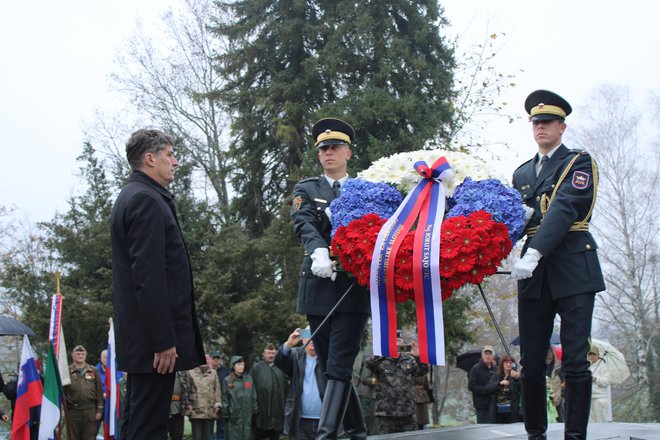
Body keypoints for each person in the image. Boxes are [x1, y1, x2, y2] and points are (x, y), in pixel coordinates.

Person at [511, 90, 605, 440]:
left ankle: (575, 435)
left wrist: (533, 252)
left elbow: (565, 208)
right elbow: (513, 219)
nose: (540, 128)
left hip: (571, 264)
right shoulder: (521, 173)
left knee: (575, 358)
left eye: (547, 122)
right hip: (533, 276)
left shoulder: (578, 162)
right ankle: (536, 433)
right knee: (532, 361)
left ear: (562, 127)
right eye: (536, 123)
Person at [111, 128, 206, 439]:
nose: (175, 161)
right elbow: (149, 278)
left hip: (144, 339)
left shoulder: (137, 196)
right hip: (153, 345)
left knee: (137, 422)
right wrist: (163, 340)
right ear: (150, 159)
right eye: (169, 155)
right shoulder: (145, 200)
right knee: (148, 427)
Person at [290, 117, 370, 439]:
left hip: (352, 287)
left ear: (348, 152)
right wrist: (318, 250)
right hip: (318, 285)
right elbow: (304, 223)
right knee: (328, 366)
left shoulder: (366, 189)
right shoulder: (306, 188)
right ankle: (358, 429)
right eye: (323, 148)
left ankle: (326, 435)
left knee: (339, 364)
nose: (328, 153)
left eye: (335, 147)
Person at [364, 334, 429, 434]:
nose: (397, 343)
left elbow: (421, 371)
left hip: (407, 411)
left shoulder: (409, 359)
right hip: (386, 412)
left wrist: (420, 357)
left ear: (403, 343)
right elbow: (368, 363)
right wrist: (383, 352)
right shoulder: (381, 360)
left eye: (399, 340)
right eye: (393, 340)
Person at [274, 327, 326, 439]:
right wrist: (288, 344)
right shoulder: (295, 355)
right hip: (299, 420)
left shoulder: (327, 357)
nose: (312, 338)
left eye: (315, 334)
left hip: (325, 421)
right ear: (302, 338)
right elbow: (279, 361)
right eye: (308, 334)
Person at [64, 345, 104, 440]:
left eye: (82, 354)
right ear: (73, 356)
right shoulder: (67, 371)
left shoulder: (93, 370)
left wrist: (99, 410)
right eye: (78, 354)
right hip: (73, 410)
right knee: (72, 437)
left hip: (90, 410)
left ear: (85, 356)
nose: (80, 356)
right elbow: (63, 391)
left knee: (90, 437)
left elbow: (99, 391)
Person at [251, 343, 287, 440]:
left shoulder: (281, 368)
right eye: (268, 353)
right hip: (261, 411)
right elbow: (251, 388)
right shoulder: (257, 368)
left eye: (273, 353)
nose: (271, 356)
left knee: (274, 435)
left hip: (277, 412)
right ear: (264, 354)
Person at [221, 356, 258, 440]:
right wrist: (225, 413)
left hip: (247, 415)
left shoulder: (249, 379)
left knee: (247, 435)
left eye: (242, 364)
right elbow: (224, 398)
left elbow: (253, 395)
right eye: (238, 364)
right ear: (233, 366)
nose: (241, 366)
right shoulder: (228, 380)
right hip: (233, 416)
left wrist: (255, 409)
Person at [185, 364, 222, 440]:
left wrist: (217, 404)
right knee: (197, 437)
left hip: (209, 410)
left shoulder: (213, 373)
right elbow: (186, 390)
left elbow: (217, 389)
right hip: (195, 410)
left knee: (207, 436)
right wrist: (188, 404)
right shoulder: (191, 373)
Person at [467, 345, 499, 424]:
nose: (488, 356)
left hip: (494, 404)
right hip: (481, 405)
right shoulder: (475, 368)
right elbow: (471, 386)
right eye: (486, 354)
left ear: (493, 356)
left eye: (490, 354)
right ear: (482, 355)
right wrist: (484, 390)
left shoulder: (496, 369)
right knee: (483, 428)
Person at [494, 354, 521, 424]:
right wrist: (499, 384)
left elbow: (522, 389)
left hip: (513, 409)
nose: (508, 364)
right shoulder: (497, 375)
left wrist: (518, 378)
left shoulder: (517, 376)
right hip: (499, 409)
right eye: (506, 362)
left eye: (510, 363)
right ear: (502, 364)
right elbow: (488, 388)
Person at [210, 351, 231, 440]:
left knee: (222, 429)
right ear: (211, 359)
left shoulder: (226, 372)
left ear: (220, 360)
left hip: (222, 404)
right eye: (214, 358)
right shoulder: (207, 371)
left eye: (218, 358)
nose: (216, 360)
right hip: (209, 404)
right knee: (209, 429)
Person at [588, 346, 611, 423]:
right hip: (589, 397)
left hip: (600, 398)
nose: (592, 356)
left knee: (601, 421)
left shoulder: (603, 366)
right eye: (590, 354)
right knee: (591, 422)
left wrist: (595, 378)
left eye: (594, 354)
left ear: (598, 355)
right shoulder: (588, 367)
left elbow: (606, 382)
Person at [168, 372, 188, 440]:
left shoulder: (182, 372)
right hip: (162, 409)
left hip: (179, 408)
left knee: (177, 435)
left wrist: (188, 404)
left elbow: (188, 387)